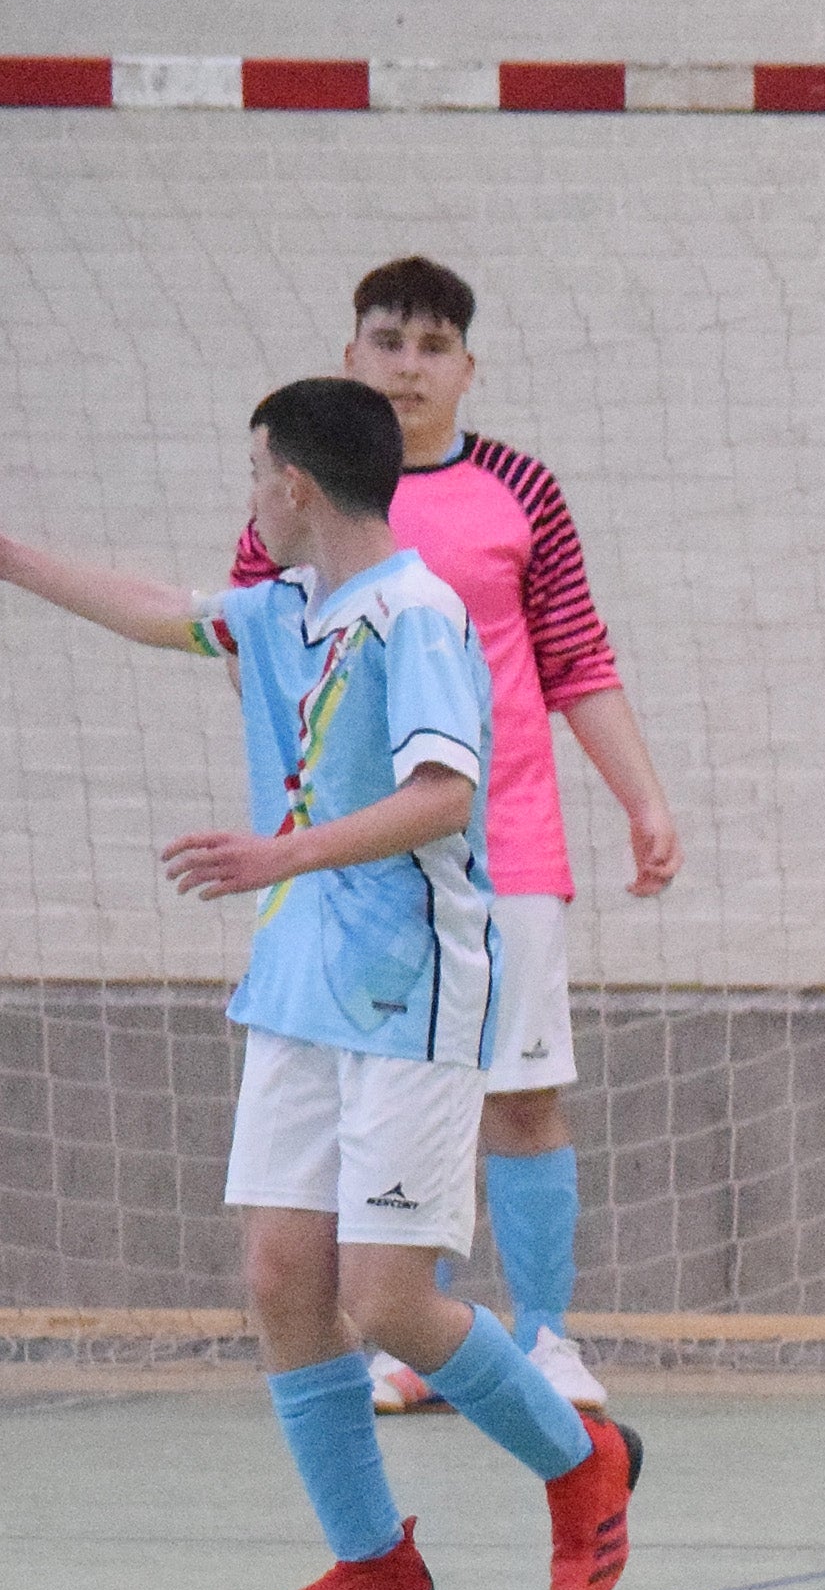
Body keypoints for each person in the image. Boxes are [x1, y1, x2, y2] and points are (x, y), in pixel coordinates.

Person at [0, 379, 643, 1590]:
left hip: (410, 995)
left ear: (293, 482)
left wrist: (278, 855)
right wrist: (5, 560)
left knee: (390, 1298)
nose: (250, 499)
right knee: (285, 1275)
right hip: (296, 991)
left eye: (253, 476)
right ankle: (374, 1566)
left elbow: (448, 796)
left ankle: (580, 1463)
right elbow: (159, 612)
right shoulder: (285, 608)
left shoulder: (419, 616)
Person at [232, 255, 685, 1417]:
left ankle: (546, 1334)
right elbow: (255, 650)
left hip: (503, 844)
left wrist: (643, 796)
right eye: (388, 341)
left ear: (467, 368)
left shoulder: (519, 488)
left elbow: (577, 654)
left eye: (434, 347)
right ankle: (413, 1329)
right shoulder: (302, 499)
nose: (408, 365)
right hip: (347, 883)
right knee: (378, 1095)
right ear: (352, 356)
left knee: (521, 1095)